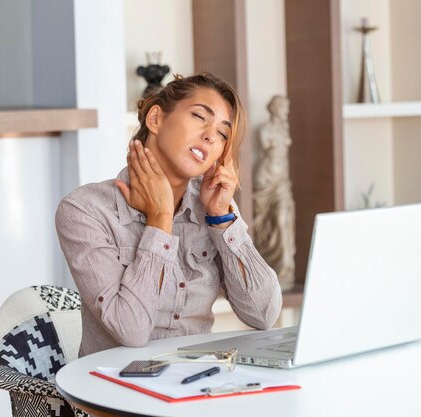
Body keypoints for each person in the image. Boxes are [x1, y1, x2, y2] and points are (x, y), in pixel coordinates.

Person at [56, 73, 283, 357]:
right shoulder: (85, 210)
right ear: (155, 120)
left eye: (223, 134)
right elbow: (131, 330)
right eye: (200, 116)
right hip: (115, 392)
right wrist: (160, 220)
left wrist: (222, 220)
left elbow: (264, 314)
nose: (211, 135)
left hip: (198, 386)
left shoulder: (214, 206)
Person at [253, 95, 296, 291]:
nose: (287, 112)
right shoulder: (266, 131)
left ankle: (285, 267)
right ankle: (272, 264)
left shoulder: (283, 128)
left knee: (283, 220)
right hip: (266, 179)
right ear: (276, 109)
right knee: (270, 220)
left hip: (282, 182)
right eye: (284, 108)